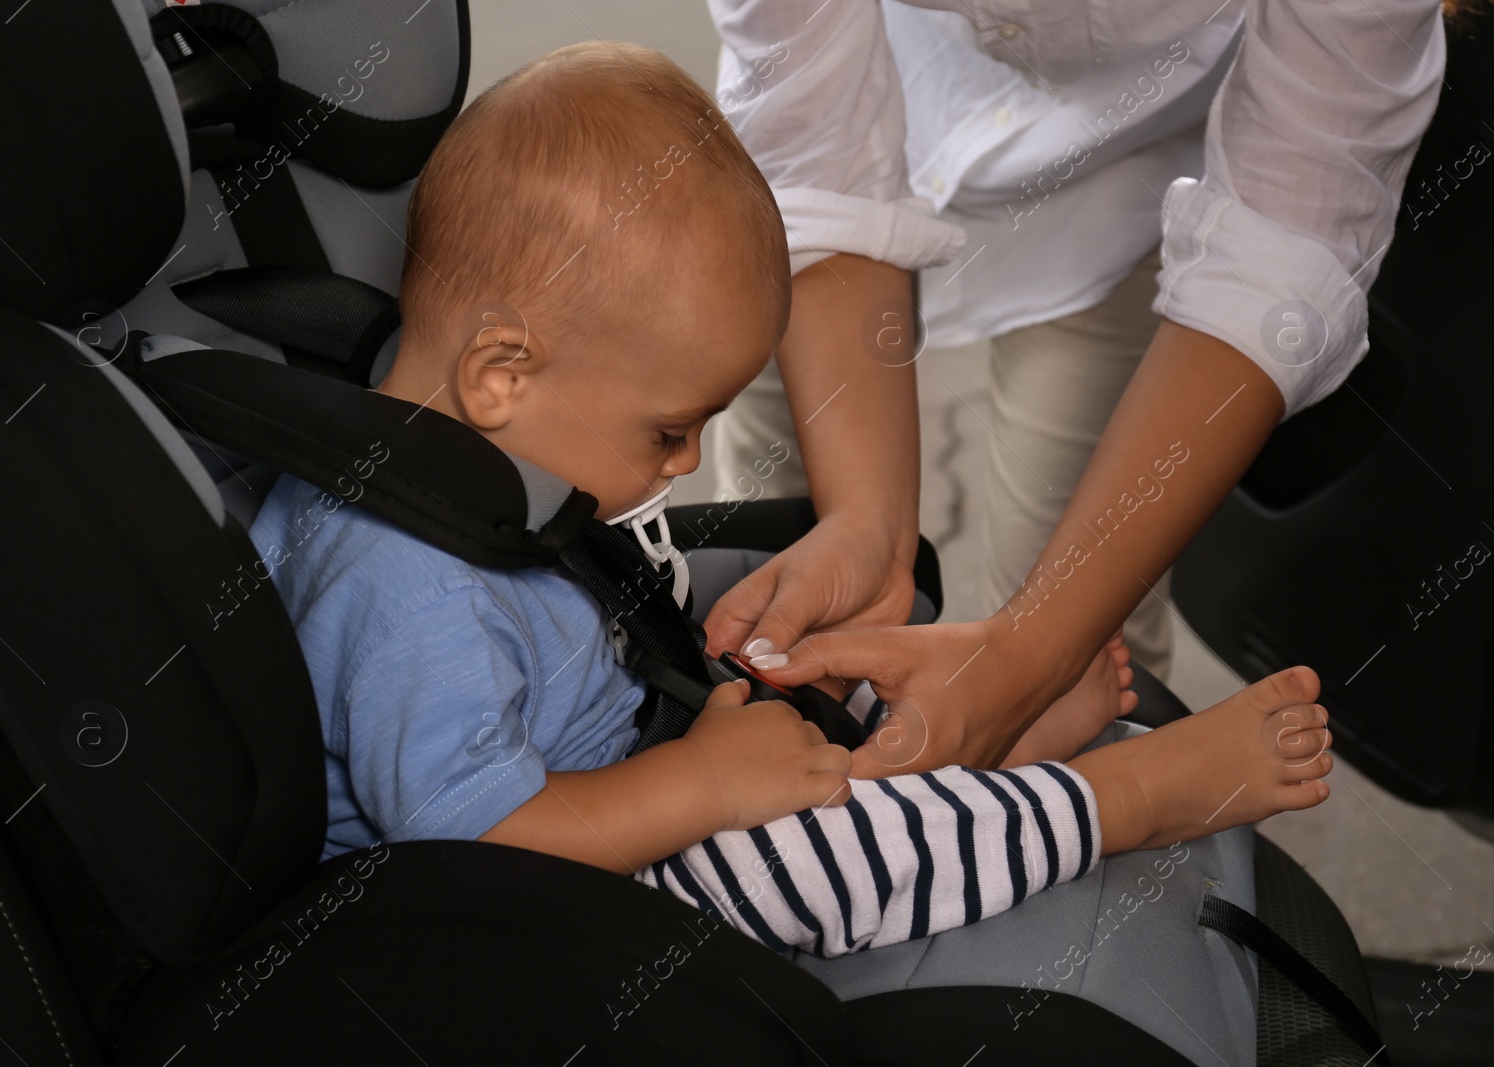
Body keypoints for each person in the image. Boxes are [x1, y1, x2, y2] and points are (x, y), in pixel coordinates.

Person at [248, 42, 1333, 959]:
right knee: (821, 859)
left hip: (618, 758)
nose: (686, 463)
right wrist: (701, 788)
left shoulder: (456, 437)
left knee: (823, 692)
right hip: (527, 899)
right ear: (500, 374)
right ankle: (1121, 801)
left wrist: (708, 756)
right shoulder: (407, 591)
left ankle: (991, 747)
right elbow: (480, 845)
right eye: (669, 430)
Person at [701, 0, 1447, 776]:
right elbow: (815, 146)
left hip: (1135, 168)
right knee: (778, 531)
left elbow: (1285, 241)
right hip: (870, 83)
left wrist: (1032, 655)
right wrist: (870, 523)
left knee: (1069, 674)